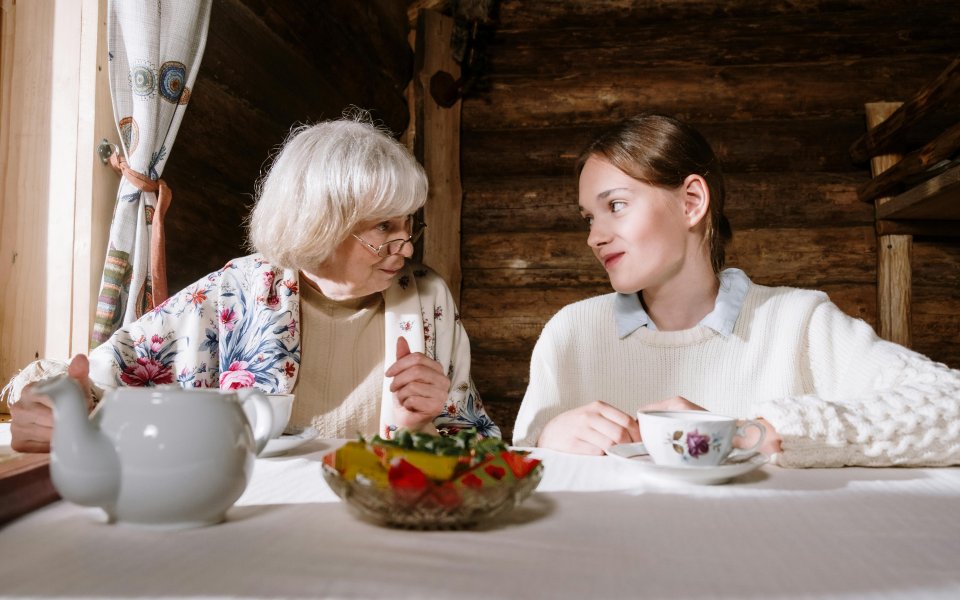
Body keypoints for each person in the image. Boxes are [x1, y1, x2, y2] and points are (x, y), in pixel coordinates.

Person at [5, 110, 499, 453]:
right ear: (319, 225)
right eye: (384, 228)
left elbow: (479, 444)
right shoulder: (240, 291)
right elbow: (97, 379)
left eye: (410, 224)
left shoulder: (427, 298)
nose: (407, 247)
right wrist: (50, 403)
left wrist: (426, 424)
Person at [512, 113, 960, 468]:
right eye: (589, 217)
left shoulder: (799, 321)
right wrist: (544, 441)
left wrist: (748, 434)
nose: (595, 236)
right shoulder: (570, 331)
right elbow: (522, 474)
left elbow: (951, 406)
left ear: (691, 203)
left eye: (616, 205)